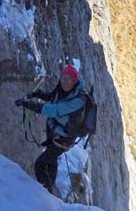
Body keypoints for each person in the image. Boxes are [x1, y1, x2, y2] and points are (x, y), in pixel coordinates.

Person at [15, 64, 85, 193]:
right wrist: (37, 94)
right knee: (51, 161)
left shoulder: (78, 101)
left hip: (64, 138)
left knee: (40, 164)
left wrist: (29, 104)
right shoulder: (62, 88)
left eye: (68, 79)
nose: (64, 81)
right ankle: (49, 189)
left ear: (74, 81)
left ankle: (44, 194)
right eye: (63, 77)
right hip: (56, 133)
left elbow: (55, 110)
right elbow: (52, 96)